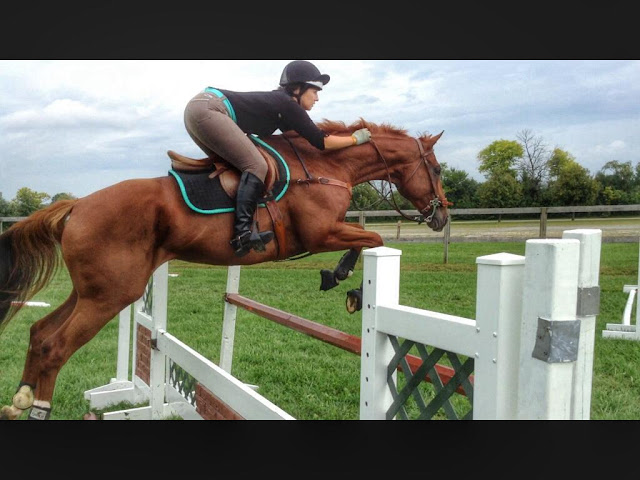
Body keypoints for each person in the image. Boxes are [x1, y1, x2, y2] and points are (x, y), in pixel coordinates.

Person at [183, 60, 372, 257]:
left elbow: (301, 141)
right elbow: (321, 141)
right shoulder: (288, 104)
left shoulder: (282, 106)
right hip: (210, 109)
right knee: (256, 166)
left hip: (201, 108)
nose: (317, 98)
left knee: (235, 168)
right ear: (297, 89)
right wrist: (354, 139)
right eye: (315, 91)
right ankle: (242, 234)